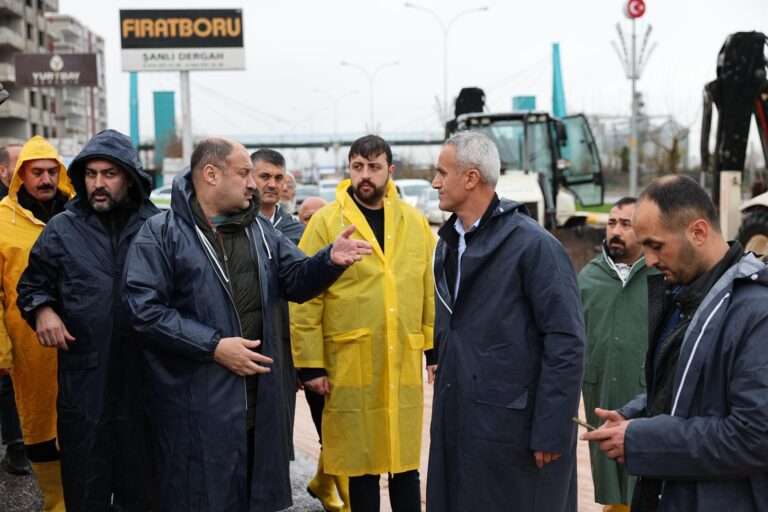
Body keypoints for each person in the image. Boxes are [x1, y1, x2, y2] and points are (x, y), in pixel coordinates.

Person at [124, 137, 371, 512]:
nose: (253, 184)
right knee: (202, 498)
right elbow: (144, 310)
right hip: (198, 409)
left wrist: (328, 262)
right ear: (210, 174)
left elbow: (296, 280)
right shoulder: (162, 233)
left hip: (261, 405)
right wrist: (213, 346)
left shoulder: (260, 231)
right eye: (244, 173)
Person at [583, 175, 768, 512]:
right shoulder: (686, 296)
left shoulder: (756, 311)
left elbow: (755, 437)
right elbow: (688, 386)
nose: (649, 259)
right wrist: (636, 413)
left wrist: (642, 439)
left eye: (656, 245)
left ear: (698, 232)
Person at [426, 131, 585, 512]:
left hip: (513, 431)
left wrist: (552, 429)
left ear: (470, 178)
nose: (434, 182)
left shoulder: (533, 246)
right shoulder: (449, 244)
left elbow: (566, 342)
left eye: (441, 172)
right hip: (459, 419)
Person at [16, 130, 159, 510]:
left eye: (109, 174)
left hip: (146, 380)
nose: (98, 183)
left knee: (146, 489)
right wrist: (43, 309)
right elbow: (32, 285)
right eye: (91, 174)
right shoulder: (63, 228)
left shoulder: (158, 227)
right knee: (85, 487)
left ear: (129, 176)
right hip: (84, 379)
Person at [291, 134, 435, 512]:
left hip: (401, 357)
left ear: (391, 169)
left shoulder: (414, 222)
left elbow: (428, 287)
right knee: (360, 463)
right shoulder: (325, 222)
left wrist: (434, 348)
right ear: (349, 170)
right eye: (358, 167)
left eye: (374, 167)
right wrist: (310, 364)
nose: (365, 176)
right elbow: (305, 297)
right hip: (350, 360)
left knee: (405, 460)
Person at [0, 135, 74, 510]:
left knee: (86, 425)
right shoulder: (1, 221)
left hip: (84, 344)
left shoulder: (80, 217)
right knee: (41, 425)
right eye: (36, 172)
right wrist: (3, 349)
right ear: (20, 177)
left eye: (51, 171)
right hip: (30, 347)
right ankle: (55, 502)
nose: (45, 179)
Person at [579, 197, 657, 512]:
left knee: (648, 480)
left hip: (648, 395)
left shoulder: (660, 277)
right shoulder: (588, 279)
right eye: (612, 223)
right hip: (602, 395)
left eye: (626, 224)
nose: (616, 231)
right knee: (612, 485)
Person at [250, 148, 303, 464]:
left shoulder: (295, 231)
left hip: (284, 342)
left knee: (279, 425)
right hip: (247, 337)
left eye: (278, 177)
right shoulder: (233, 226)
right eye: (264, 176)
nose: (272, 184)